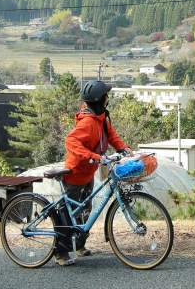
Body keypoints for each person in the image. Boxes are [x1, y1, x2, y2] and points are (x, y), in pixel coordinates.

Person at [54, 79, 131, 266]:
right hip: (74, 174)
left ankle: (79, 245)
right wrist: (94, 156)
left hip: (88, 174)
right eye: (106, 96)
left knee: (86, 211)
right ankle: (61, 253)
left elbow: (112, 136)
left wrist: (125, 149)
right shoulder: (88, 122)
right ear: (99, 100)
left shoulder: (102, 117)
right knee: (68, 214)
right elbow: (71, 142)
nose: (107, 99)